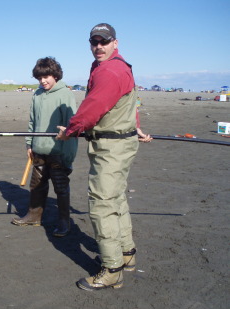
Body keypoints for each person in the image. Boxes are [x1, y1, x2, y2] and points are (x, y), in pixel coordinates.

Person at [57, 23, 151, 290]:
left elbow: (93, 107)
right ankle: (126, 254)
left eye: (104, 41)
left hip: (112, 148)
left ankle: (112, 270)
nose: (98, 46)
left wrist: (71, 131)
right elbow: (128, 102)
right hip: (120, 143)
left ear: (115, 43)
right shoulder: (115, 67)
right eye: (94, 42)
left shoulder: (110, 70)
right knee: (116, 199)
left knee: (101, 204)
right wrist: (135, 125)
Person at [12, 57, 78, 237]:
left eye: (46, 76)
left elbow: (72, 125)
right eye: (39, 78)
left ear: (55, 75)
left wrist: (68, 153)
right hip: (38, 148)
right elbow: (33, 121)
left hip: (59, 151)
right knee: (36, 185)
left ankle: (64, 222)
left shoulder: (65, 94)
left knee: (60, 187)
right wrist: (29, 142)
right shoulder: (37, 94)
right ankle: (34, 216)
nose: (43, 81)